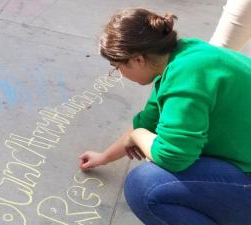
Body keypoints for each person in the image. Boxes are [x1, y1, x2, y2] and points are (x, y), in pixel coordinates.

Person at [79, 8, 251, 225]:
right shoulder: (182, 57)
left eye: (117, 67)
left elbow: (173, 156)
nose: (119, 74)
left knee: (145, 186)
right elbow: (146, 122)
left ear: (138, 59)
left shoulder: (186, 78)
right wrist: (103, 157)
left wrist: (139, 136)